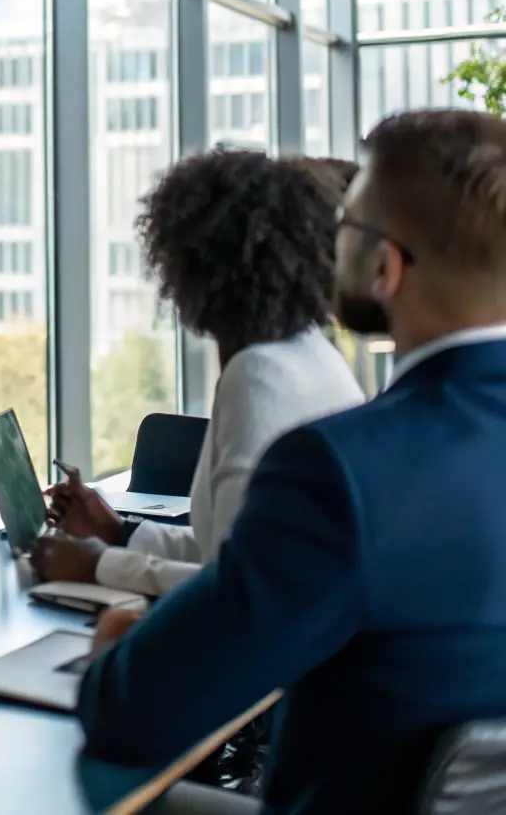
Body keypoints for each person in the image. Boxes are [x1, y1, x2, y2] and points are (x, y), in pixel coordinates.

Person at [77, 109, 506, 815]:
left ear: (385, 266)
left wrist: (118, 638)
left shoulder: (341, 473)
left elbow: (131, 712)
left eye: (350, 226)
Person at [33, 150, 362, 598]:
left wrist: (99, 566)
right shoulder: (312, 353)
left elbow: (239, 585)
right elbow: (236, 547)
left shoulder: (259, 376)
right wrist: (118, 532)